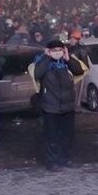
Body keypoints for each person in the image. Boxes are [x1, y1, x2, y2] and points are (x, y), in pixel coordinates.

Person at [34, 40, 85, 172]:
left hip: (67, 106)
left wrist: (68, 59)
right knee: (51, 136)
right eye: (54, 50)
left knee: (66, 136)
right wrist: (46, 57)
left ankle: (65, 159)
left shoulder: (66, 63)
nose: (57, 53)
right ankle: (52, 161)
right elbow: (37, 73)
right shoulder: (43, 63)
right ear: (48, 51)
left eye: (59, 50)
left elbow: (79, 71)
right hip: (50, 107)